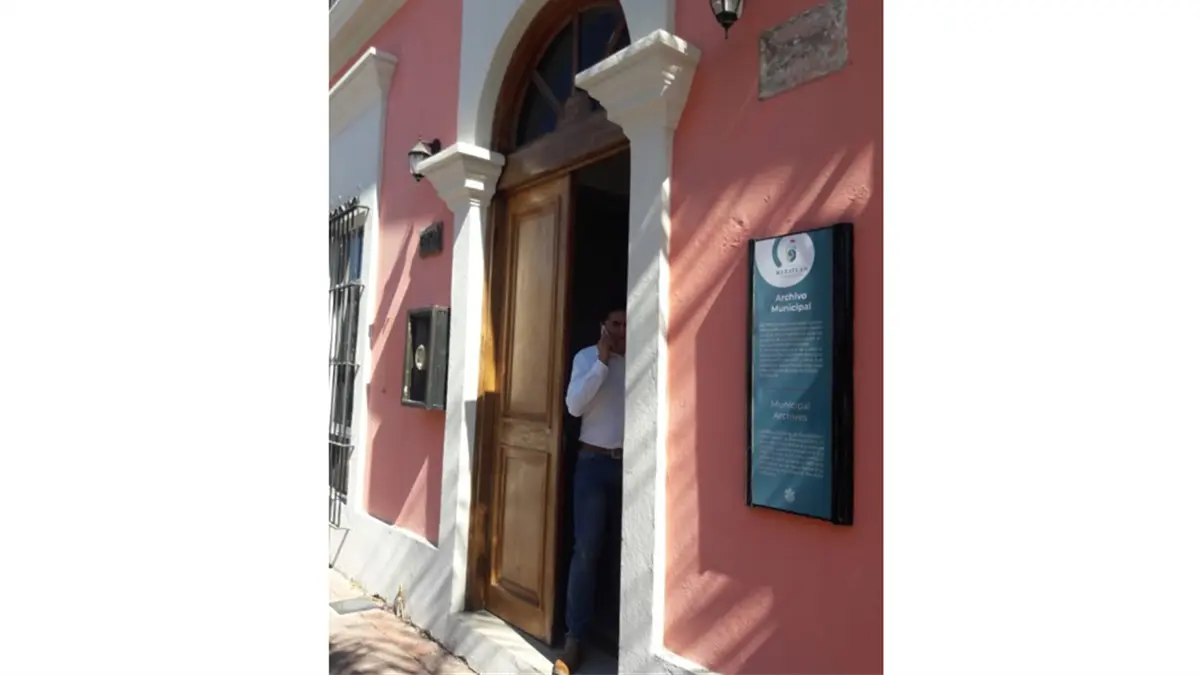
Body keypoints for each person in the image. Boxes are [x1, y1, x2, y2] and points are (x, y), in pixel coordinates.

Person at [553, 303, 626, 675]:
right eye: (615, 323)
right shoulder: (586, 359)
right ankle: (575, 639)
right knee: (586, 550)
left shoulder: (639, 360)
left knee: (621, 552)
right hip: (593, 465)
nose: (621, 331)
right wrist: (601, 362)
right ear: (603, 325)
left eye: (626, 324)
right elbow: (573, 406)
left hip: (629, 465)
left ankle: (620, 634)